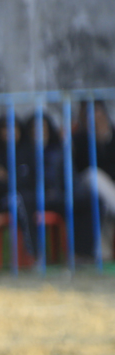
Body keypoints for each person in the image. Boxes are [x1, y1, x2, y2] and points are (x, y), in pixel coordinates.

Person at [70, 102, 115, 260]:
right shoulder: (80, 139)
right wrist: (94, 139)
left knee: (104, 204)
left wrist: (106, 139)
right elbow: (81, 166)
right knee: (94, 175)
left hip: (109, 190)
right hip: (87, 183)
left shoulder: (112, 135)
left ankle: (103, 253)